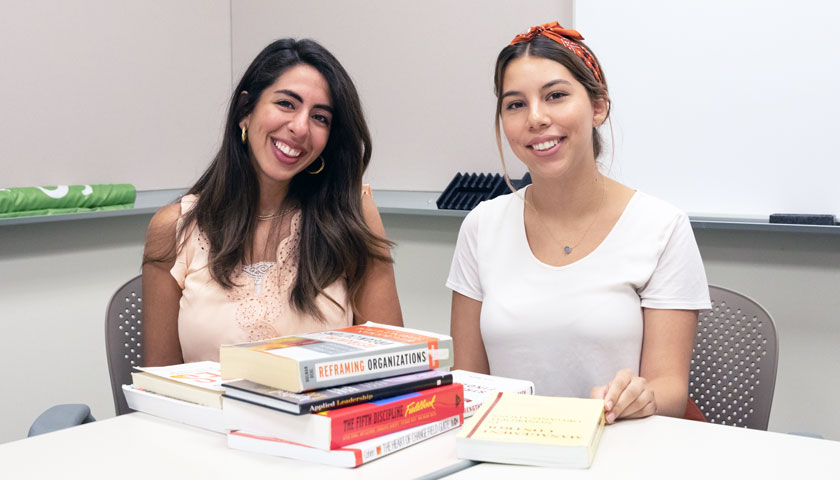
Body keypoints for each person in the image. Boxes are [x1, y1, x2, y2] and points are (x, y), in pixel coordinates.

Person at [447, 22, 711, 424]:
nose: (535, 118)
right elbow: (469, 383)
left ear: (598, 106)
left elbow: (670, 390)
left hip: (620, 448)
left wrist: (642, 395)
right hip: (509, 454)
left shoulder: (661, 226)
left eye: (556, 96)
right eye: (515, 104)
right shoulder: (481, 227)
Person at [142, 38, 403, 366]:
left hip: (321, 417)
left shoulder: (352, 214)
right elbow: (161, 386)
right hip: (209, 418)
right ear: (245, 112)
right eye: (286, 104)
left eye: (320, 117)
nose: (300, 127)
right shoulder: (174, 228)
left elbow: (392, 366)